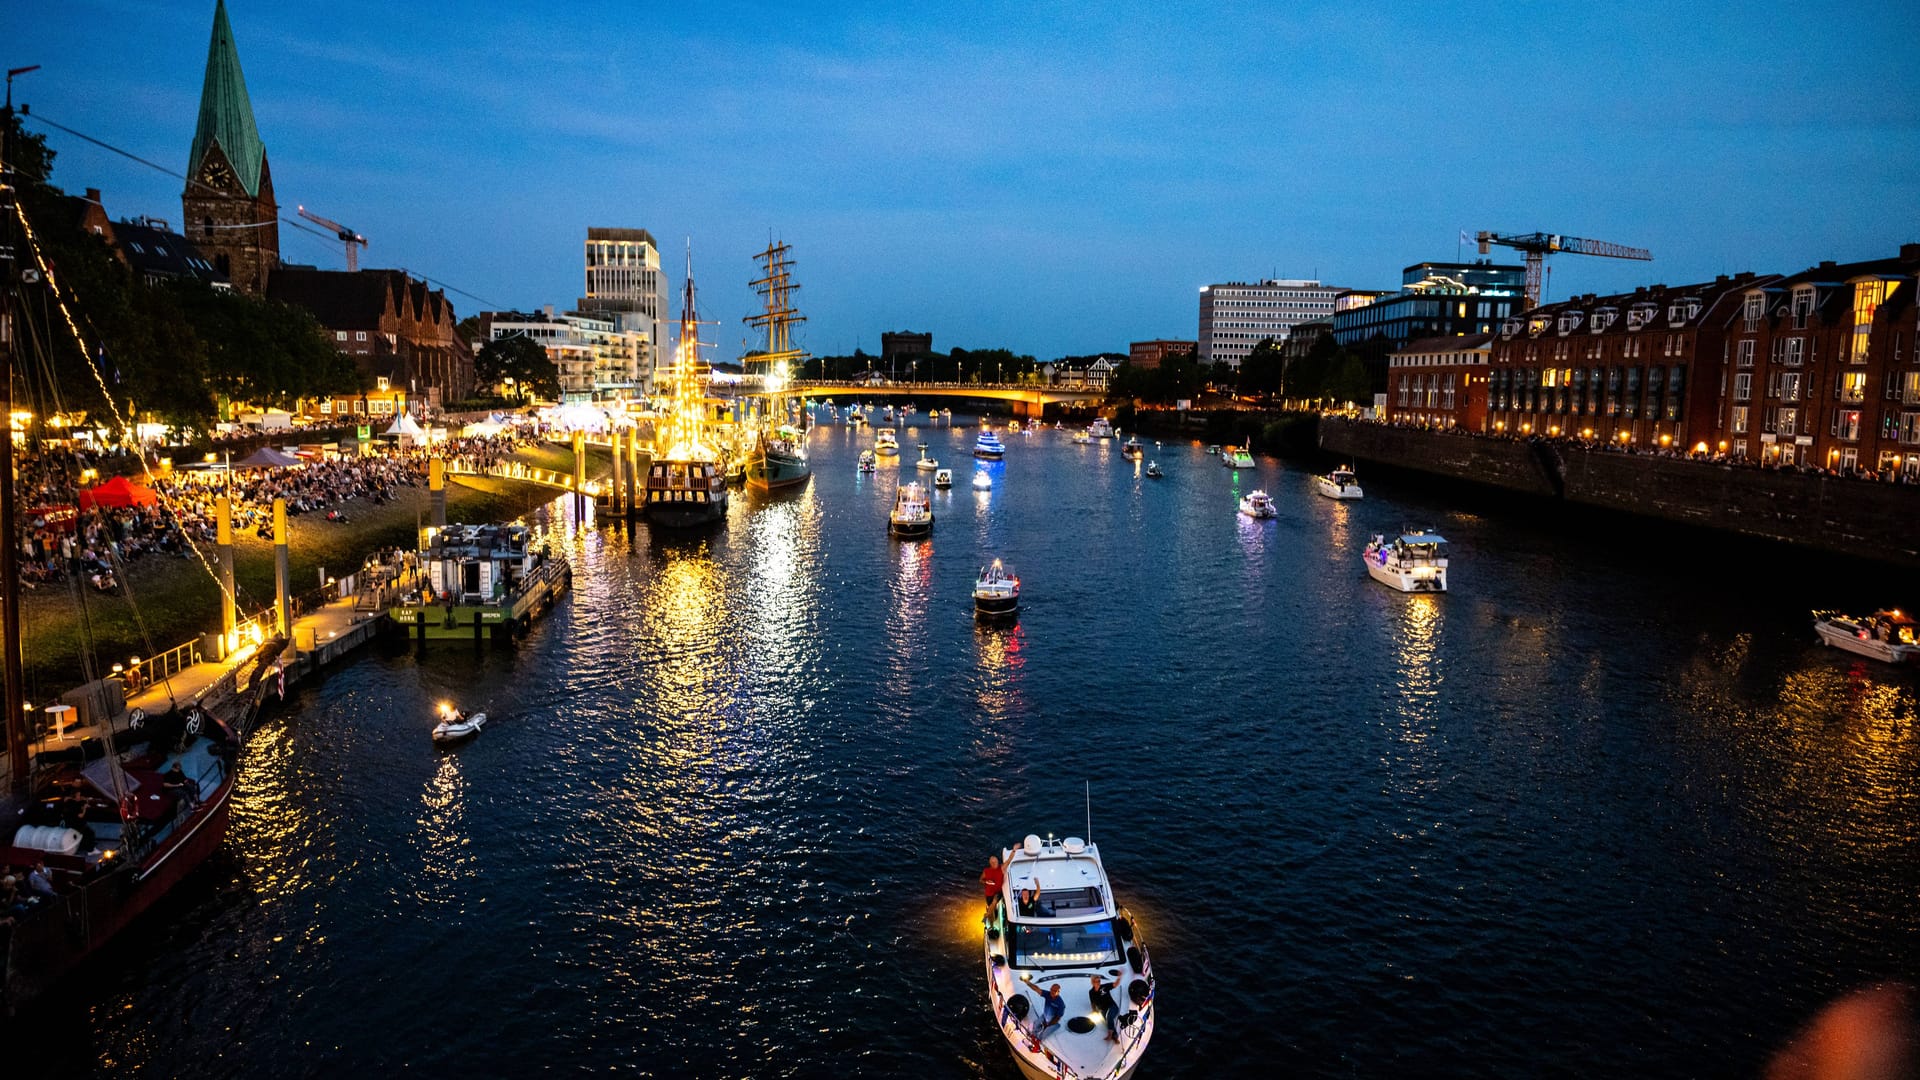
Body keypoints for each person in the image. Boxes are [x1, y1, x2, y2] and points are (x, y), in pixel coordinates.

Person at [1089, 974, 1121, 1043]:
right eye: (1096, 981)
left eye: (1099, 981)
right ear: (1092, 982)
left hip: (1112, 1006)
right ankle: (1114, 1036)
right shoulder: (1091, 992)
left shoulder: (1105, 987)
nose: (1098, 983)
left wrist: (1119, 977)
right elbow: (1092, 1003)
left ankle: (1110, 1035)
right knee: (1107, 1020)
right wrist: (1094, 1011)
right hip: (1103, 1009)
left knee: (1109, 1016)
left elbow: (1115, 984)